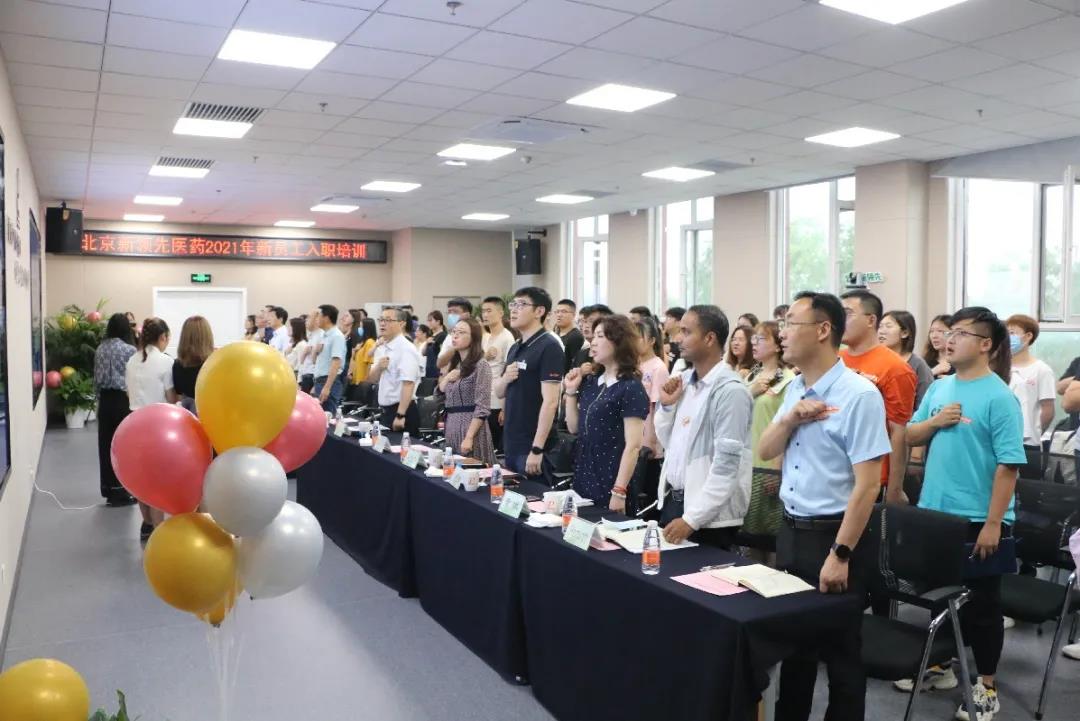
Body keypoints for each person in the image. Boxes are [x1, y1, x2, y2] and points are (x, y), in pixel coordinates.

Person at [758, 292, 890, 721]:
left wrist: (841, 553)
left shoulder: (859, 395)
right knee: (796, 647)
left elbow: (868, 486)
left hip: (835, 536)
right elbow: (765, 450)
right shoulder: (796, 387)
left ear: (822, 330)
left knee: (841, 654)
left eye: (790, 324)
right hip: (792, 531)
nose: (782, 333)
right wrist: (789, 418)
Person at [903, 307, 1025, 721]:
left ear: (986, 344)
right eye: (949, 332)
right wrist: (936, 421)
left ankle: (987, 686)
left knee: (984, 607)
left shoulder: (1000, 397)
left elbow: (1009, 466)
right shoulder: (940, 388)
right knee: (939, 597)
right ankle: (941, 667)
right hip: (935, 514)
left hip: (979, 519)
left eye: (960, 333)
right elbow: (911, 434)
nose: (950, 339)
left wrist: (994, 524)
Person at [653, 305, 753, 549]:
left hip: (709, 519)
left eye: (686, 332)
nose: (678, 339)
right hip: (677, 501)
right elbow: (669, 443)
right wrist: (667, 407)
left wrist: (692, 519)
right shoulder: (684, 382)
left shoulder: (731, 391)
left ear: (709, 338)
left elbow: (726, 469)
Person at [840, 290, 917, 506]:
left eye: (847, 313)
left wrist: (895, 488)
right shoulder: (835, 359)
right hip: (833, 471)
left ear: (871, 320)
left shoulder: (895, 368)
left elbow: (898, 431)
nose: (840, 320)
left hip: (870, 478)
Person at [563, 315, 648, 510]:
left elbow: (633, 446)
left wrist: (619, 491)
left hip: (612, 478)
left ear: (619, 342)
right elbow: (574, 428)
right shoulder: (593, 381)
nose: (593, 342)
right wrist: (571, 391)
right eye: (593, 336)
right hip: (584, 473)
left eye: (600, 336)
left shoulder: (630, 387)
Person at [495, 287, 564, 477]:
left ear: (539, 311)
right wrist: (505, 378)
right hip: (512, 440)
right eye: (513, 304)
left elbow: (551, 402)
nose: (513, 310)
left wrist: (537, 448)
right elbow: (499, 391)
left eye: (521, 304)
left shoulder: (549, 346)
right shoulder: (516, 347)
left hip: (533, 445)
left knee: (533, 494)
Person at [743, 321, 796, 561]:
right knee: (749, 537)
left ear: (777, 345)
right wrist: (750, 392)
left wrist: (776, 468)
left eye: (762, 339)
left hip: (768, 466)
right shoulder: (751, 375)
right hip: (747, 462)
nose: (754, 343)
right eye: (754, 338)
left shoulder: (788, 380)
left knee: (769, 537)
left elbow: (788, 428)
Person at [125, 318, 179, 541]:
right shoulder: (166, 362)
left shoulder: (132, 360)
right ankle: (159, 530)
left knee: (142, 478)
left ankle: (147, 523)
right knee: (158, 480)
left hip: (134, 425)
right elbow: (171, 397)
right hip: (158, 426)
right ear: (163, 337)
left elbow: (129, 393)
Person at [94, 313, 137, 507]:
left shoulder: (100, 349)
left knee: (106, 445)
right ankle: (123, 490)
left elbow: (96, 379)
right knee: (122, 446)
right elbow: (133, 378)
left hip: (105, 400)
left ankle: (109, 489)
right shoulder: (129, 350)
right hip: (122, 400)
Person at [439, 317, 495, 465]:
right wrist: (447, 378)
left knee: (473, 472)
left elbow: (483, 406)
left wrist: (469, 437)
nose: (455, 335)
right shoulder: (456, 364)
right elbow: (440, 391)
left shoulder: (481, 365)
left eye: (461, 332)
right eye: (454, 332)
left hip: (470, 427)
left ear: (474, 338)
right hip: (451, 424)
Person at [1006, 314, 1055, 479]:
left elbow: (1048, 410)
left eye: (1012, 333)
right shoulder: (999, 368)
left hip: (1028, 442)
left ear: (1028, 336)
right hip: (1002, 437)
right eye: (1006, 333)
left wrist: (1034, 430)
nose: (1008, 338)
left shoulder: (1042, 369)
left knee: (1028, 487)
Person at [368, 307, 422, 435]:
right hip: (385, 411)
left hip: (401, 411)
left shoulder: (406, 349)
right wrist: (379, 367)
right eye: (381, 320)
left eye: (388, 320)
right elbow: (372, 379)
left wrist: (400, 415)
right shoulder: (383, 347)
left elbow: (408, 384)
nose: (382, 323)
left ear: (401, 324)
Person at [636, 317, 669, 506]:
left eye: (639, 337)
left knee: (646, 494)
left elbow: (656, 407)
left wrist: (650, 442)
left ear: (652, 341)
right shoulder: (633, 365)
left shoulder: (658, 368)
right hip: (633, 438)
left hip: (649, 441)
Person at [879, 310, 934, 411]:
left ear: (904, 333)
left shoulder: (918, 365)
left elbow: (925, 404)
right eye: (880, 326)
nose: (881, 331)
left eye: (888, 326)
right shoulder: (875, 359)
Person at [482, 296, 515, 453]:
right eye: (483, 311)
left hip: (497, 400)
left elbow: (509, 373)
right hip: (483, 398)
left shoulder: (507, 338)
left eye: (489, 311)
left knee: (496, 449)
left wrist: (504, 408)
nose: (485, 315)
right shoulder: (486, 337)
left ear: (501, 313)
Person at [172, 315, 213, 413]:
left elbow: (178, 396)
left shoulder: (177, 365)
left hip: (188, 415)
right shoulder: (214, 364)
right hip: (212, 414)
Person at [312, 304, 346, 413]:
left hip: (329, 382)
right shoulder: (324, 336)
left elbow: (336, 362)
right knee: (320, 415)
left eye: (318, 315)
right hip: (320, 381)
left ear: (326, 318)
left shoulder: (336, 336)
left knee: (327, 416)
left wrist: (327, 387)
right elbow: (316, 361)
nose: (316, 319)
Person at [437, 297, 474, 370]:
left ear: (467, 314)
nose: (451, 315)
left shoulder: (476, 333)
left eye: (455, 312)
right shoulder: (450, 336)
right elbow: (439, 363)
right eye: (449, 312)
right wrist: (454, 347)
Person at [574, 304, 613, 373]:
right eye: (585, 321)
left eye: (591, 321)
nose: (586, 325)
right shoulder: (581, 354)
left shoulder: (610, 356)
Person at [348, 317, 378, 404]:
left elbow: (369, 363)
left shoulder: (370, 342)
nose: (359, 329)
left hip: (363, 380)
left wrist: (366, 380)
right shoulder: (362, 342)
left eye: (361, 327)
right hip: (356, 379)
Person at [554, 298, 585, 374]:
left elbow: (574, 364)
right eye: (557, 312)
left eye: (563, 312)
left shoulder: (575, 337)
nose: (559, 315)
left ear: (573, 315)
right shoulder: (555, 333)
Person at [299, 311, 322, 394]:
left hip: (312, 376)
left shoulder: (321, 335)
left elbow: (317, 360)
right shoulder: (313, 335)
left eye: (309, 317)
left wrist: (315, 385)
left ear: (316, 320)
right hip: (306, 373)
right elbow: (303, 358)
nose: (306, 320)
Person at [925, 314, 954, 378]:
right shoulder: (925, 362)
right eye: (931, 331)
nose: (934, 336)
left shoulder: (962, 362)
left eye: (940, 331)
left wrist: (952, 381)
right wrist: (932, 371)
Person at [663, 306, 685, 370]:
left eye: (669, 318)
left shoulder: (683, 345)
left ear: (679, 322)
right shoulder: (664, 341)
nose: (664, 321)